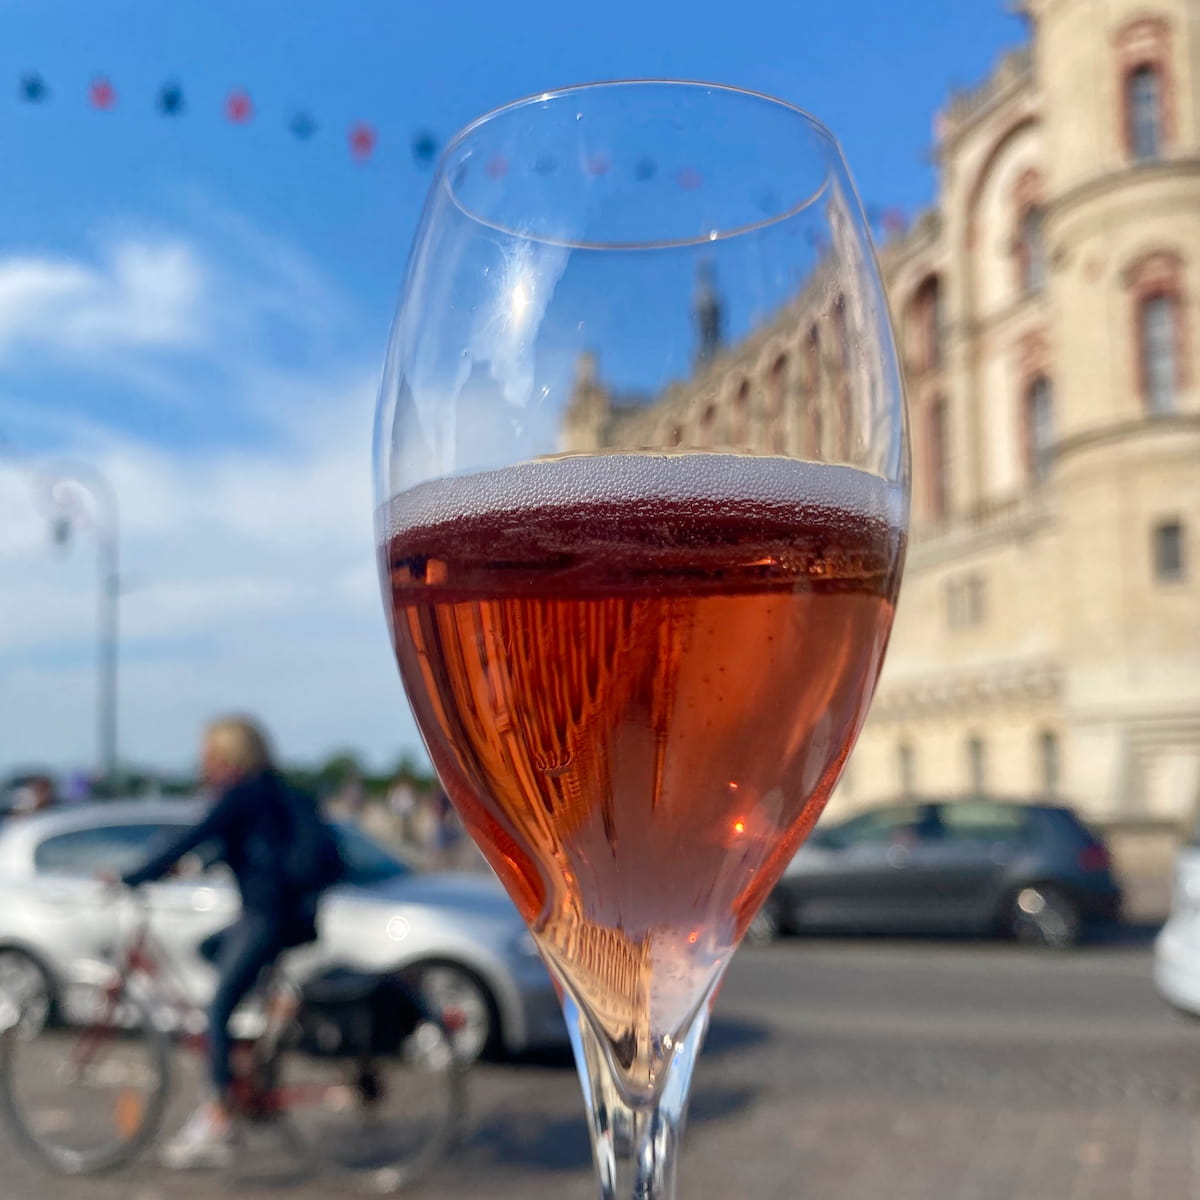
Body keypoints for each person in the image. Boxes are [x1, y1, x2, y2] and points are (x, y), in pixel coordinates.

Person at [113, 716, 336, 1170]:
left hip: (265, 917)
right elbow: (236, 845)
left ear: (228, 755)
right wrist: (193, 865)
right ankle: (266, 1023)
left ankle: (219, 1116)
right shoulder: (273, 790)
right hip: (284, 913)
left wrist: (132, 875)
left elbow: (198, 833)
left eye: (210, 755)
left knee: (217, 1008)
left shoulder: (240, 794)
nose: (205, 764)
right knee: (212, 950)